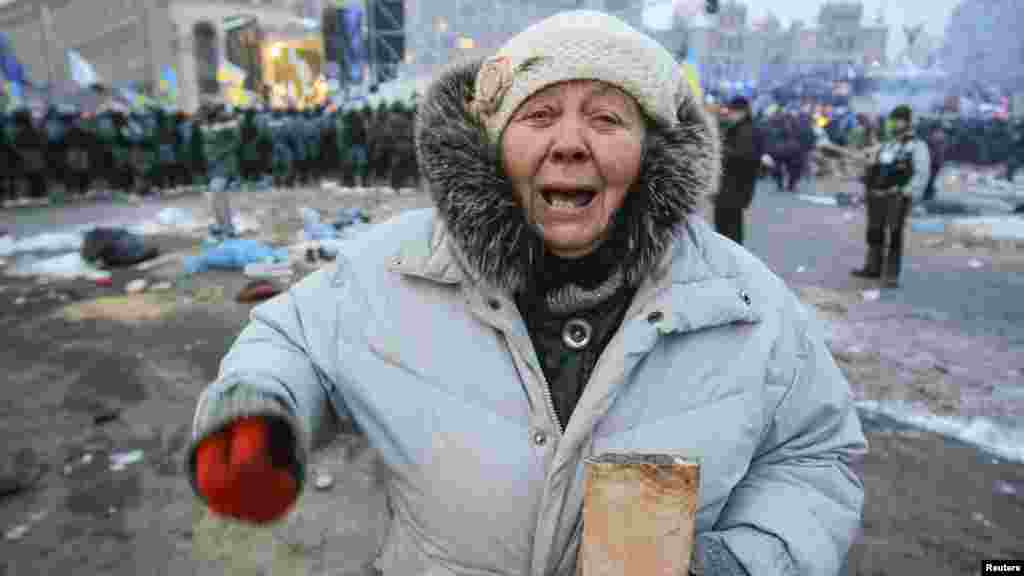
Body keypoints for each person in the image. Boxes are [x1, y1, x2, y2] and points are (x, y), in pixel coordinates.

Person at [185, 11, 866, 576]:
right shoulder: (393, 265)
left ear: (653, 151)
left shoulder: (744, 302)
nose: (570, 143)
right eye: (539, 115)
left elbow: (815, 455)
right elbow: (294, 337)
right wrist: (263, 412)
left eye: (607, 119)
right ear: (492, 144)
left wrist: (740, 563)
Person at [852, 105, 931, 288]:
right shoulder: (888, 144)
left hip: (897, 196)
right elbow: (876, 166)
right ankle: (873, 267)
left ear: (909, 123)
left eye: (900, 120)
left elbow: (921, 173)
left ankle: (891, 274)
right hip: (877, 196)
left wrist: (908, 192)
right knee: (874, 232)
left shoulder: (917, 146)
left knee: (894, 235)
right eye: (894, 120)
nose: (895, 123)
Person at [714, 96, 760, 245]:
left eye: (732, 111)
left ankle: (731, 260)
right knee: (727, 227)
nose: (729, 114)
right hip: (731, 188)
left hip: (734, 188)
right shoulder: (739, 129)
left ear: (742, 112)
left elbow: (744, 157)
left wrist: (722, 151)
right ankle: (729, 257)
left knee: (729, 228)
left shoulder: (746, 131)